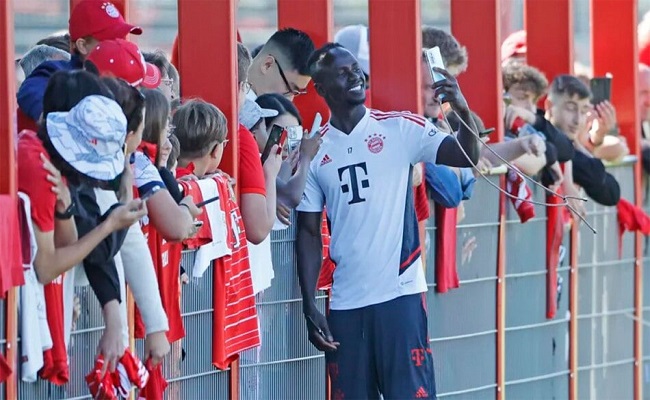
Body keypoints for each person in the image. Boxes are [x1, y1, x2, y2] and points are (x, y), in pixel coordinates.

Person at [296, 43, 480, 399]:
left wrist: (461, 108)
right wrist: (309, 304)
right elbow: (307, 233)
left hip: (400, 298)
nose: (355, 76)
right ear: (320, 88)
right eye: (342, 71)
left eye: (356, 69)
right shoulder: (315, 151)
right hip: (346, 306)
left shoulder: (399, 128)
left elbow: (467, 155)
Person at [17, 0, 143, 130]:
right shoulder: (62, 73)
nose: (118, 45)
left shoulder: (126, 72)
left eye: (121, 38)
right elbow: (31, 90)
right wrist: (56, 120)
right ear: (82, 46)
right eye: (109, 40)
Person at [546, 75, 621, 207]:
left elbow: (611, 192)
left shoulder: (568, 146)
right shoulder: (544, 141)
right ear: (550, 106)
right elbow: (597, 177)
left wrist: (581, 145)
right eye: (570, 108)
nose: (577, 120)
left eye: (583, 111)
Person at [248, 28, 315, 100]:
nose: (290, 100)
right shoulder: (239, 106)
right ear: (267, 65)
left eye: (295, 93)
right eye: (288, 88)